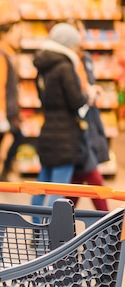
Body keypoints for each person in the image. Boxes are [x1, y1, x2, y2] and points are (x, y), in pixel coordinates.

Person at [30, 22, 101, 208]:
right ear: (68, 44)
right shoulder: (64, 66)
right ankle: (50, 234)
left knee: (40, 187)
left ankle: (36, 230)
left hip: (47, 132)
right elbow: (76, 100)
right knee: (58, 192)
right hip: (66, 137)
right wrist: (89, 96)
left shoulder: (43, 66)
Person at [65, 18, 110, 211]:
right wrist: (86, 94)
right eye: (78, 31)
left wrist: (92, 91)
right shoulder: (66, 62)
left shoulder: (85, 58)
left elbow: (86, 83)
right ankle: (109, 223)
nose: (82, 35)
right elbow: (73, 94)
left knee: (77, 178)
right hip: (75, 123)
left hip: (89, 120)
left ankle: (59, 223)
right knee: (91, 172)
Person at [0, 17, 25, 182]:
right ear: (3, 34)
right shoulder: (0, 55)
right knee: (18, 136)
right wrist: (0, 112)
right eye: (12, 32)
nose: (16, 35)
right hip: (3, 107)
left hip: (6, 106)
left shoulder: (7, 52)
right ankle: (0, 173)